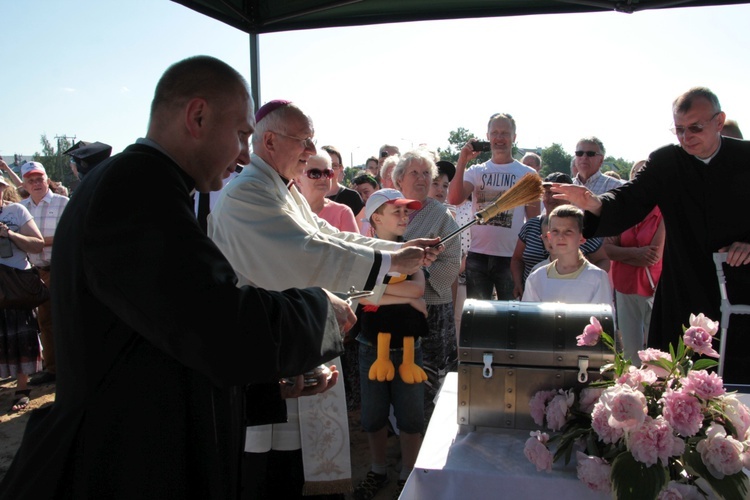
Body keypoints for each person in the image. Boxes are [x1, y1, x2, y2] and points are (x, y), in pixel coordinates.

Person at [0, 55, 356, 500]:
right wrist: (319, 309)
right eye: (242, 135)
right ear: (198, 116)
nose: (244, 155)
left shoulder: (145, 183)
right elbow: (214, 322)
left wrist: (266, 384)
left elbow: (166, 335)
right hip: (122, 464)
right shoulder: (134, 188)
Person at [207, 100, 441, 498]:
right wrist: (389, 258)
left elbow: (329, 235)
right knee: (264, 466)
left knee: (294, 460)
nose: (309, 151)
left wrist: (391, 253)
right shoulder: (248, 194)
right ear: (269, 140)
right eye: (304, 141)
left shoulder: (282, 189)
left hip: (284, 344)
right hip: (257, 350)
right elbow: (305, 252)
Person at [553, 87, 750, 383]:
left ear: (719, 122)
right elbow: (630, 200)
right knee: (674, 381)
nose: (686, 137)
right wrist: (593, 202)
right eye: (679, 130)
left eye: (695, 128)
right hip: (683, 285)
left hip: (739, 287)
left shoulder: (746, 158)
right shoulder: (667, 162)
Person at [353, 189, 428, 500]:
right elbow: (360, 293)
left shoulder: (411, 251)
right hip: (372, 346)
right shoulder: (363, 253)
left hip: (410, 347)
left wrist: (376, 293)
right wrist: (399, 295)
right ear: (376, 218)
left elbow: (418, 289)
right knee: (373, 415)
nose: (403, 216)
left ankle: (407, 473)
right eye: (395, 211)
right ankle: (378, 468)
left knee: (411, 416)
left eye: (405, 211)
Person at [394, 150, 461, 415]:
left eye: (426, 173)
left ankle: (430, 428)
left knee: (430, 376)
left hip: (432, 305)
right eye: (414, 173)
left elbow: (453, 261)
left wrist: (420, 270)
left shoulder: (442, 216)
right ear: (399, 179)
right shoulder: (389, 209)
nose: (422, 179)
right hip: (396, 304)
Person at [448, 113, 540, 300]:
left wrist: (524, 259)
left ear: (514, 137)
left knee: (510, 316)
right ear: (488, 136)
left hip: (511, 258)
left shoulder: (528, 174)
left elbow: (533, 222)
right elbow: (454, 198)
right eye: (495, 132)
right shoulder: (476, 171)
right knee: (478, 316)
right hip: (478, 255)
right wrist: (462, 161)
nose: (499, 138)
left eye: (505, 133)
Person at [511, 172, 609, 299]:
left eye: (557, 193)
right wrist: (518, 283)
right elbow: (517, 259)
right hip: (534, 292)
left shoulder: (583, 226)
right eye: (547, 192)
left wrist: (586, 280)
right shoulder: (531, 226)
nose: (551, 198)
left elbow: (603, 260)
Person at [604, 160, 665, 364]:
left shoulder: (664, 212)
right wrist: (637, 254)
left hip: (653, 286)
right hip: (624, 285)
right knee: (630, 350)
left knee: (656, 351)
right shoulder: (621, 212)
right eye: (637, 175)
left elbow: (654, 255)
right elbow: (608, 249)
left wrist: (623, 252)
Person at [19, 161, 69, 387]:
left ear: (47, 179)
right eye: (31, 180)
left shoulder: (63, 203)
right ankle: (53, 369)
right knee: (45, 322)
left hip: (60, 270)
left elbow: (70, 235)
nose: (36, 183)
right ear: (24, 184)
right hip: (34, 273)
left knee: (67, 319)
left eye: (40, 179)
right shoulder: (21, 209)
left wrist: (36, 243)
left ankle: (72, 366)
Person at [0, 176, 45, 412]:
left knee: (20, 335)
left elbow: (37, 244)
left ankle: (22, 388)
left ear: (4, 188)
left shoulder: (16, 211)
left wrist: (10, 235)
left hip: (16, 283)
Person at [522, 205, 613, 307]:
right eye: (555, 231)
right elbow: (529, 319)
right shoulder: (537, 277)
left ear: (582, 237)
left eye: (568, 231)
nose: (560, 237)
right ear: (549, 237)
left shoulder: (597, 278)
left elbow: (603, 320)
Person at [298, 151, 358, 233]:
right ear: (298, 179)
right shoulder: (288, 209)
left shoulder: (343, 213)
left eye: (327, 173)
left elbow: (353, 245)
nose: (323, 178)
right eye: (315, 173)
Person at [323, 145, 364, 216]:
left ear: (341, 168)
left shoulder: (352, 197)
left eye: (334, 165)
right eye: (325, 165)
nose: (330, 170)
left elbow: (362, 226)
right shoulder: (309, 195)